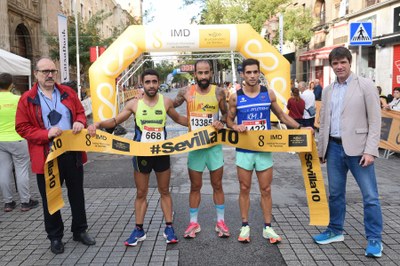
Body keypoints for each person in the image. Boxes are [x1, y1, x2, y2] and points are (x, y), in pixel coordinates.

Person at [88, 69, 187, 246]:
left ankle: (169, 227)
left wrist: (206, 123)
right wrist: (97, 123)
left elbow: (179, 119)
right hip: (141, 154)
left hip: (161, 153)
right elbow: (115, 121)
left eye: (154, 82)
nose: (151, 85)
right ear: (142, 84)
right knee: (141, 192)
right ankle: (139, 229)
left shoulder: (165, 102)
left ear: (158, 83)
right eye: (147, 82)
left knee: (164, 191)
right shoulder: (134, 104)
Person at [15, 58, 95, 255]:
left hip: (72, 153)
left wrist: (79, 121)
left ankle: (80, 230)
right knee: (51, 198)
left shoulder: (68, 93)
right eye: (45, 71)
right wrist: (46, 134)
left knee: (77, 194)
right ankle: (55, 237)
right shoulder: (27, 98)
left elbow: (80, 113)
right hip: (46, 157)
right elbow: (22, 127)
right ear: (36, 74)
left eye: (53, 70)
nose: (49, 75)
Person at [226, 58, 309, 244]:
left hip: (264, 150)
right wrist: (234, 127)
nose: (253, 76)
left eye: (256, 72)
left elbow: (281, 115)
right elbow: (228, 120)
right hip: (244, 150)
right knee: (245, 188)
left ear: (259, 73)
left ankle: (267, 227)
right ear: (243, 74)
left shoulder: (268, 94)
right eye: (249, 72)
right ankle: (245, 226)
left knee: (266, 189)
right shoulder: (235, 97)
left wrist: (300, 128)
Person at [313, 47, 383, 258]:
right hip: (334, 148)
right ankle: (335, 231)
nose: (339, 66)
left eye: (342, 62)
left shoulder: (365, 85)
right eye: (335, 63)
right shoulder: (328, 90)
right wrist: (321, 149)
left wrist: (371, 150)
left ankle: (374, 239)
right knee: (335, 194)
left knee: (370, 196)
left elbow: (375, 120)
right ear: (332, 66)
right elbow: (324, 122)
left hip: (359, 150)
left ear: (349, 62)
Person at [173, 60, 230, 238]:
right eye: (200, 73)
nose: (203, 76)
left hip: (213, 148)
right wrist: (144, 99)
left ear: (211, 73)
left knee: (217, 185)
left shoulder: (219, 92)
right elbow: (169, 106)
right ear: (195, 74)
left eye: (206, 73)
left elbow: (227, 114)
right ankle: (193, 223)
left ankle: (220, 221)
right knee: (195, 186)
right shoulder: (185, 92)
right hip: (195, 148)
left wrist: (221, 122)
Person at [0, 73, 38, 212]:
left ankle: (8, 202)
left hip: (0, 140)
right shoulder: (18, 99)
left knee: (3, 171)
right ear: (11, 85)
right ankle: (25, 201)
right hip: (18, 138)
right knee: (21, 170)